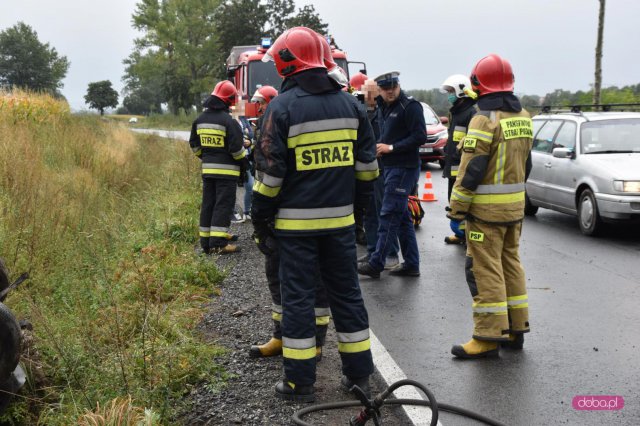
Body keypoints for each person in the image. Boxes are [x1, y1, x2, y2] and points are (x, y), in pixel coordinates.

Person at [252, 26, 378, 402]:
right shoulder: (352, 106)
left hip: (295, 230)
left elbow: (270, 177)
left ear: (287, 62)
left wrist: (261, 218)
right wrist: (354, 213)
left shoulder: (282, 108)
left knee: (298, 303)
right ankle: (359, 379)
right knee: (347, 299)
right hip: (339, 227)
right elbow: (368, 172)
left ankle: (299, 383)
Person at [447, 54, 533, 359]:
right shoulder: (522, 115)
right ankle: (515, 327)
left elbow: (472, 169)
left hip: (486, 212)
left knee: (484, 269)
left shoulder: (484, 118)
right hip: (514, 209)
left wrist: (457, 207)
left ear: (477, 84)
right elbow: (527, 164)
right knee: (511, 263)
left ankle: (487, 336)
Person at [248, 85, 330, 361]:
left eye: (261, 103)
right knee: (275, 275)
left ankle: (315, 342)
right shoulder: (265, 122)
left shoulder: (285, 116)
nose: (256, 107)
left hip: (297, 213)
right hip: (275, 213)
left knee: (314, 281)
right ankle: (280, 336)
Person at [357, 71, 426, 279]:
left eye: (393, 88)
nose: (390, 92)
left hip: (404, 168)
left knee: (388, 215)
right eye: (386, 89)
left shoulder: (410, 106)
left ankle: (377, 262)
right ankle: (412, 264)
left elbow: (420, 136)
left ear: (398, 85)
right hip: (389, 167)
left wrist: (391, 147)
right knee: (403, 218)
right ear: (379, 90)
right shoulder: (384, 106)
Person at [189, 80, 247, 254]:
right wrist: (244, 164)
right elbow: (237, 151)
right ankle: (218, 243)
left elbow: (194, 145)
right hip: (227, 173)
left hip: (208, 170)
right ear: (229, 100)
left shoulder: (199, 120)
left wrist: (206, 157)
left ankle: (206, 242)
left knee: (209, 204)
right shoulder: (229, 122)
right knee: (223, 205)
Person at [355, 78, 400, 269]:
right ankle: (373, 250)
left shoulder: (384, 112)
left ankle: (390, 254)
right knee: (369, 213)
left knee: (383, 211)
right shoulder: (364, 112)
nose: (366, 97)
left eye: (369, 93)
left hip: (382, 168)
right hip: (368, 168)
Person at [440, 74, 478, 245]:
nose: (449, 95)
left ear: (460, 92)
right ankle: (461, 234)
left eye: (450, 91)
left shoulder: (471, 113)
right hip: (452, 166)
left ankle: (468, 236)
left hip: (462, 169)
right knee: (453, 202)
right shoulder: (457, 112)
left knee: (463, 204)